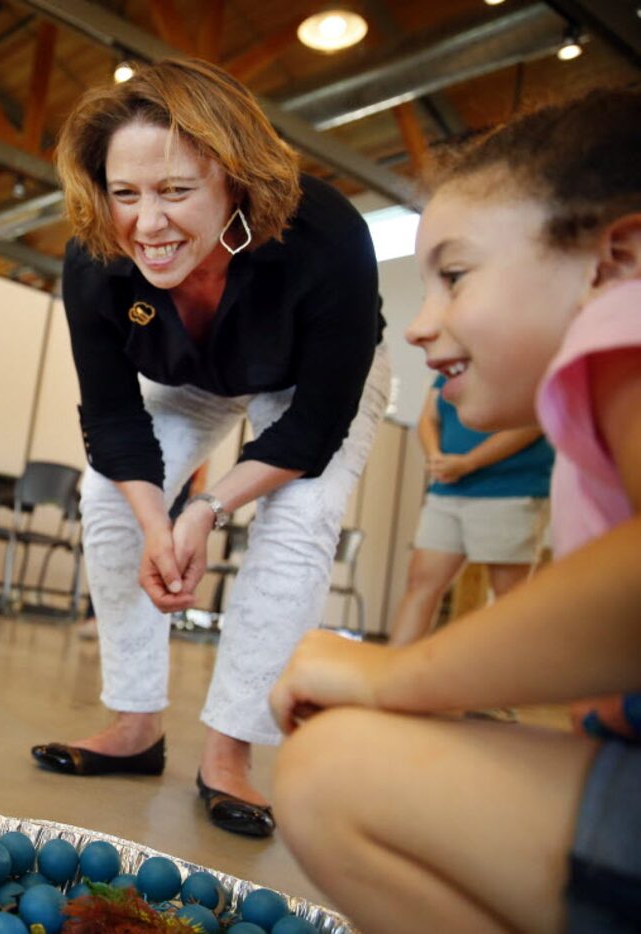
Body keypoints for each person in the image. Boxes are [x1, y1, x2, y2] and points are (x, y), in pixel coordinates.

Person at [269, 87, 641, 933]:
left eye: (456, 277)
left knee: (332, 777)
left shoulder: (626, 316)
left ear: (614, 260)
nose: (421, 322)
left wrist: (392, 673)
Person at [29, 58, 389, 839]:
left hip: (305, 380)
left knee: (300, 515)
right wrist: (160, 522)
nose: (147, 224)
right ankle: (134, 726)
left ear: (235, 182)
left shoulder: (323, 236)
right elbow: (115, 420)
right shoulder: (97, 259)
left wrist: (207, 510)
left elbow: (316, 427)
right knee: (109, 499)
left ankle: (229, 751)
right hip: (191, 373)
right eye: (125, 193)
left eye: (175, 192)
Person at [388, 375, 554, 645]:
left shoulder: (524, 358)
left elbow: (534, 421)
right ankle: (391, 676)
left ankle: (506, 681)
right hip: (447, 491)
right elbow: (428, 417)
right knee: (420, 585)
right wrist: (435, 458)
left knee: (509, 597)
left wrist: (470, 462)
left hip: (509, 492)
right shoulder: (451, 368)